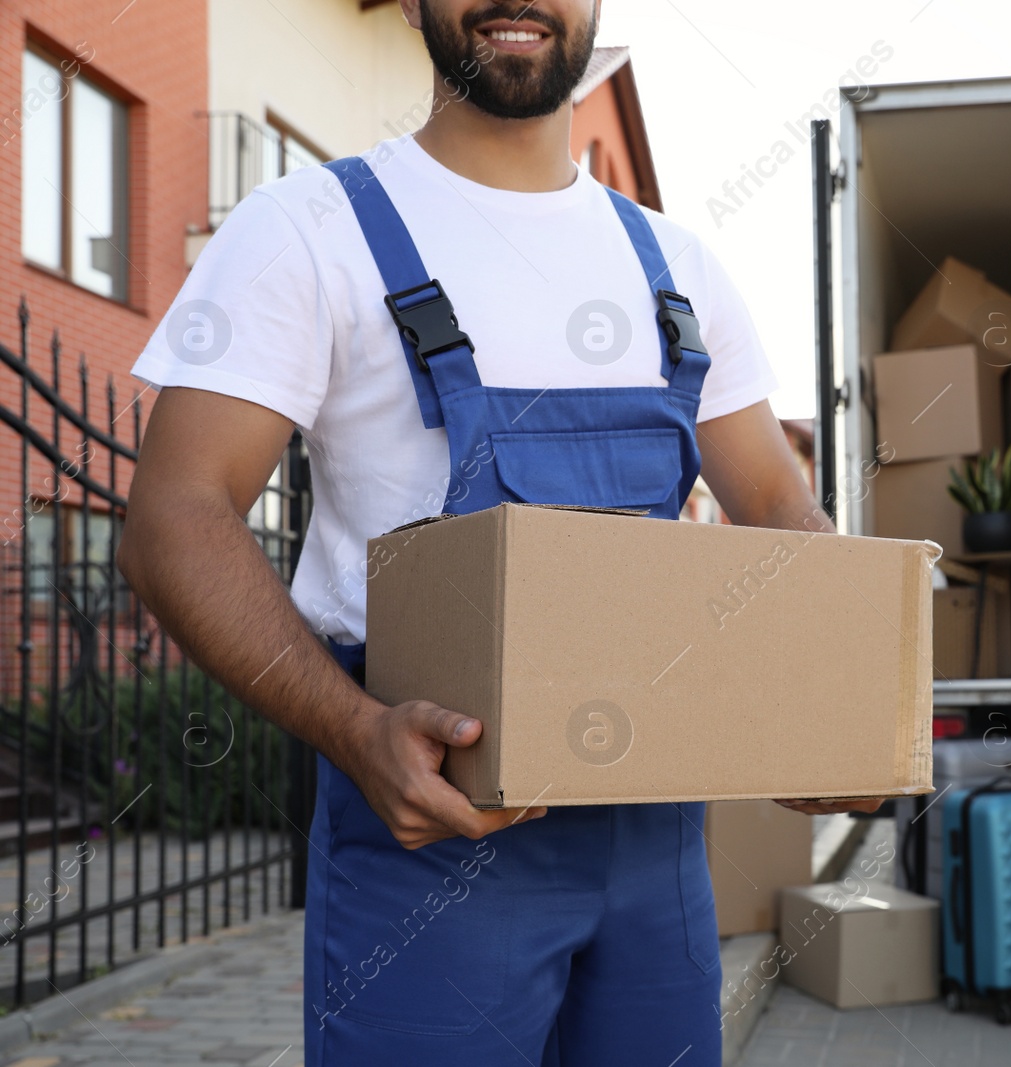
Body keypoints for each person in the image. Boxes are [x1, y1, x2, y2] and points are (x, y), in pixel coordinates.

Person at [116, 2, 883, 1063]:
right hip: (426, 824)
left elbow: (777, 506)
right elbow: (171, 518)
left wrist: (835, 703)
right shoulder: (308, 229)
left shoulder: (675, 266)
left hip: (652, 835)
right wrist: (352, 730)